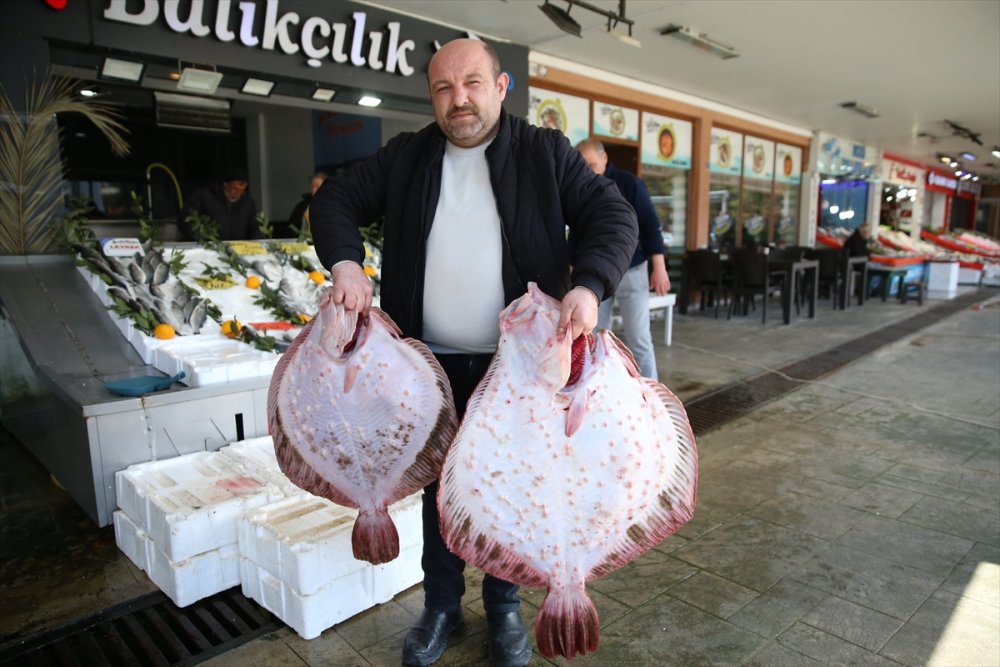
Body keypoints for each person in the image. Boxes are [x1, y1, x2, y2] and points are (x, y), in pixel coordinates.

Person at [310, 38, 637, 667]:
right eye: (442, 88)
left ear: (501, 86)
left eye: (471, 84)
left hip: (513, 370)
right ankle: (439, 607)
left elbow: (611, 214)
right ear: (431, 95)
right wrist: (346, 262)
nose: (458, 100)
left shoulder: (543, 152)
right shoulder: (407, 157)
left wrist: (590, 285)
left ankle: (504, 608)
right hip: (425, 366)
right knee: (440, 494)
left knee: (507, 486)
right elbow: (336, 198)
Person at [575, 138, 669, 380]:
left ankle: (651, 394)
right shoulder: (580, 186)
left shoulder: (631, 184)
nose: (587, 169)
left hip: (633, 269)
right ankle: (594, 392)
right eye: (582, 164)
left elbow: (650, 225)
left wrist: (659, 267)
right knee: (591, 335)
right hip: (594, 271)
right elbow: (575, 231)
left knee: (638, 337)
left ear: (604, 158)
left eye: (591, 163)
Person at [178, 166, 258, 241]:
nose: (238, 194)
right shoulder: (203, 196)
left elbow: (255, 227)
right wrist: (203, 239)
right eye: (234, 189)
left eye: (242, 191)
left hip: (237, 250)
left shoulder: (248, 203)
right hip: (207, 249)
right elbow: (186, 220)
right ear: (225, 184)